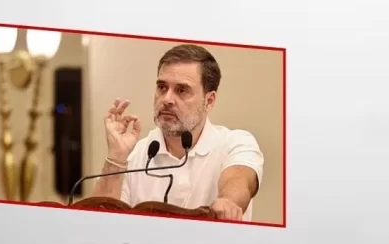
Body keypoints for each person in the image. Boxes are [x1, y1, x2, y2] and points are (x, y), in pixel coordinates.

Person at [94, 44, 264, 221]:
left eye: (181, 90)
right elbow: (100, 222)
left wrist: (228, 201)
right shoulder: (136, 155)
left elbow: (239, 180)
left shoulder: (235, 143)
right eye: (162, 87)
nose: (167, 99)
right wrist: (116, 157)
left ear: (209, 101)